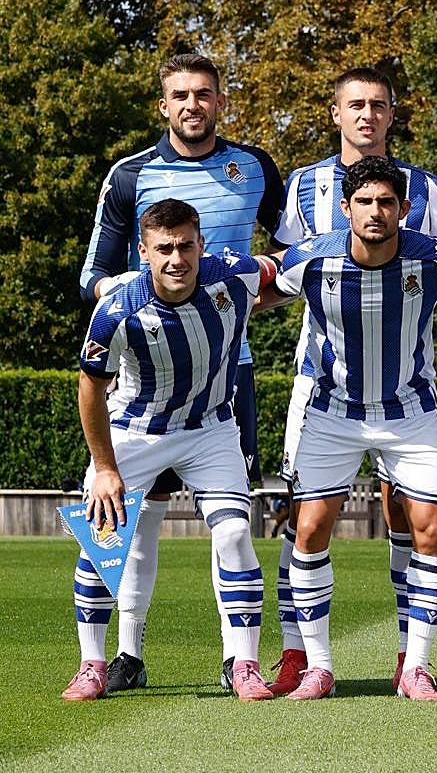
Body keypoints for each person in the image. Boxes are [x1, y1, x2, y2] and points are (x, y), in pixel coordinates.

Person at [78, 53, 284, 692]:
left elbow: (287, 252)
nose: (192, 105)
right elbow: (91, 274)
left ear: (220, 101)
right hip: (142, 384)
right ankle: (124, 656)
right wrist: (136, 300)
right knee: (130, 527)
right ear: (163, 104)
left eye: (204, 94)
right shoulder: (128, 175)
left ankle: (239, 660)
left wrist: (243, 290)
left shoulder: (255, 167)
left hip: (226, 378)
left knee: (232, 528)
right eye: (179, 95)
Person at [266, 67, 437, 696]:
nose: (367, 115)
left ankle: (414, 659)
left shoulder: (425, 191)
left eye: (379, 105)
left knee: (418, 521)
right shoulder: (303, 191)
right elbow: (267, 280)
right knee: (305, 521)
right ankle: (304, 655)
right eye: (356, 105)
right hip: (321, 384)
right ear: (335, 112)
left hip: (409, 390)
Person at [62, 199, 275, 702]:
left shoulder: (235, 276)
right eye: (164, 249)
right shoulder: (116, 308)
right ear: (143, 252)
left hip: (210, 428)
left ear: (201, 245)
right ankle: (94, 664)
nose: (176, 259)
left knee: (235, 531)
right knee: (103, 535)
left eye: (185, 246)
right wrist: (106, 467)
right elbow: (90, 387)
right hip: (136, 430)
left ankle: (242, 663)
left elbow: (284, 273)